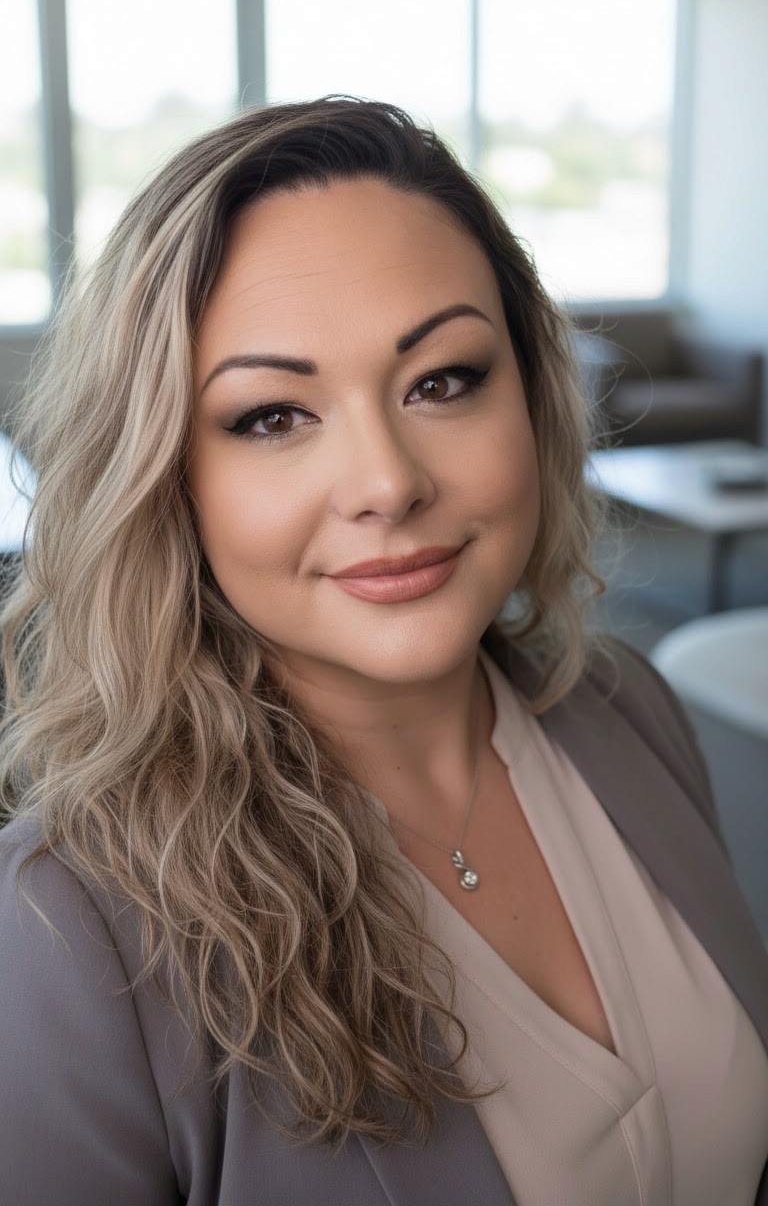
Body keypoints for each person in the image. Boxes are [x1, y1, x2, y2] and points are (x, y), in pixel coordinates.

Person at [0, 96, 766, 1206]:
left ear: (536, 401)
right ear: (167, 478)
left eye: (443, 381)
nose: (388, 482)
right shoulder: (63, 928)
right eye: (272, 415)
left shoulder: (627, 706)